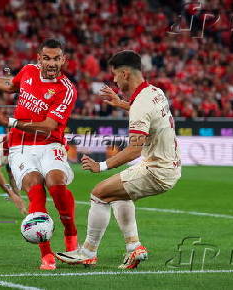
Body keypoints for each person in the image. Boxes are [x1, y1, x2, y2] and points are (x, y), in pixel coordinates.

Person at [56, 50, 181, 269]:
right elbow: (145, 111)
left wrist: (101, 165)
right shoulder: (155, 92)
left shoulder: (141, 103)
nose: (113, 80)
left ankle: (87, 252)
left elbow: (134, 150)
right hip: (166, 165)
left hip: (156, 170)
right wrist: (121, 103)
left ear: (124, 74)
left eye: (115, 75)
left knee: (99, 194)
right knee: (117, 193)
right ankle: (134, 248)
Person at [0, 38, 78, 270]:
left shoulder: (66, 90)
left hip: (50, 144)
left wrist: (11, 121)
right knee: (34, 187)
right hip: (20, 147)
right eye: (47, 58)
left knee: (56, 184)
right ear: (39, 59)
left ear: (64, 60)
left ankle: (71, 238)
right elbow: (9, 85)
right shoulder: (27, 71)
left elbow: (47, 126)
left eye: (57, 58)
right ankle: (46, 254)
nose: (52, 63)